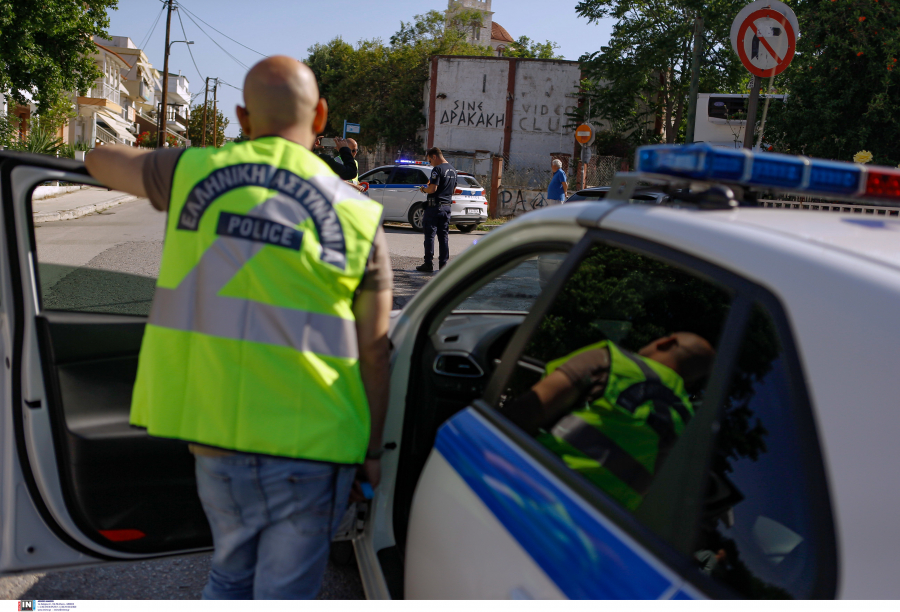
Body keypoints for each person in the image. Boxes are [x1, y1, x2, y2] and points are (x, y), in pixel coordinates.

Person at [84, 56, 393, 600]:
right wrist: (372, 451)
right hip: (315, 441)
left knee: (228, 576)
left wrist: (171, 160)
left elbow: (98, 158)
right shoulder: (357, 213)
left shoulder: (192, 171)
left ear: (243, 118)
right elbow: (374, 351)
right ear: (321, 116)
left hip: (215, 438)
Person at [502, 332, 715, 510]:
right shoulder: (687, 423)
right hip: (598, 525)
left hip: (533, 488)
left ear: (667, 342)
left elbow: (528, 411)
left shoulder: (611, 362)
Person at [416, 147, 457, 272]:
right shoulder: (453, 170)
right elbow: (453, 190)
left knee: (430, 236)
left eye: (430, 160)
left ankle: (428, 264)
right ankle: (443, 265)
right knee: (443, 237)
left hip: (434, 208)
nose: (430, 163)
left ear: (434, 156)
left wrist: (424, 189)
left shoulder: (437, 169)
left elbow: (432, 189)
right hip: (446, 207)